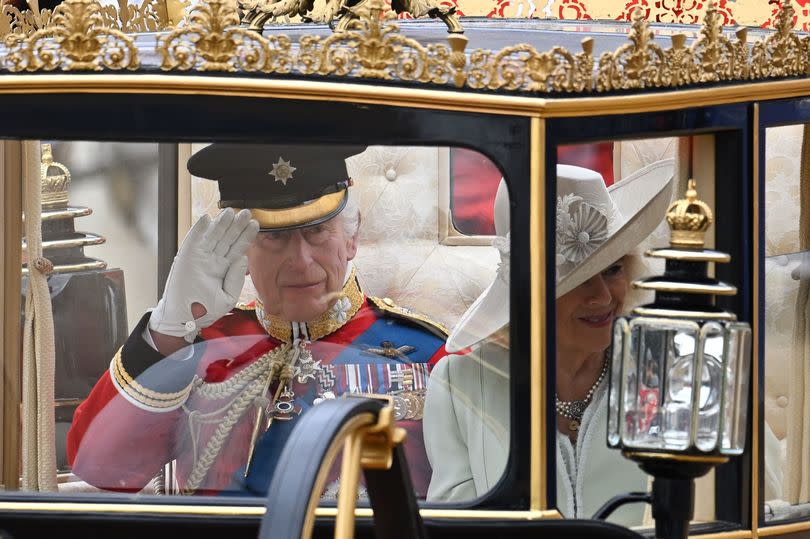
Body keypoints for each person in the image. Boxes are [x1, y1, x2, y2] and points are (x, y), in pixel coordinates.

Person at [67, 143, 448, 497]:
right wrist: (169, 327)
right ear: (241, 251)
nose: (300, 261)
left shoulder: (428, 357)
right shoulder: (197, 349)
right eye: (274, 238)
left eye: (316, 232)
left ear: (352, 237)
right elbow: (100, 469)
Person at [423, 159, 674, 525]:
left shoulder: (673, 369)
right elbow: (454, 528)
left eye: (613, 269)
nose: (603, 297)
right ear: (527, 295)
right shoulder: (461, 383)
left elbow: (753, 502)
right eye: (577, 280)